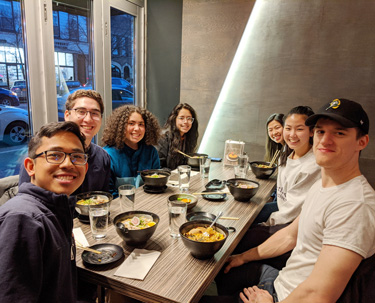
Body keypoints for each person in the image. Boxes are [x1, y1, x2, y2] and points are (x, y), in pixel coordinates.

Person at [212, 98, 375, 303]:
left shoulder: (355, 205)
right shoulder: (322, 186)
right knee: (220, 268)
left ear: (362, 142)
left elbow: (320, 295)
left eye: (339, 133)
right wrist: (242, 257)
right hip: (280, 281)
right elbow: (290, 235)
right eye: (320, 131)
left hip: (283, 297)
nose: (325, 140)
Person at [0, 121, 88, 302]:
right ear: (30, 167)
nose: (67, 164)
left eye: (77, 157)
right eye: (55, 155)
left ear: (85, 168)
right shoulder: (22, 219)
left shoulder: (56, 209)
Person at [234, 106, 321, 262]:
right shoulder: (288, 152)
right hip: (282, 209)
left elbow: (291, 213)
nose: (292, 135)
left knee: (239, 238)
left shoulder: (311, 166)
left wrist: (266, 224)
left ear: (311, 131)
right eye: (288, 128)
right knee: (241, 217)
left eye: (299, 129)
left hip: (290, 225)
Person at [19, 89, 111, 195]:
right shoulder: (42, 156)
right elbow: (26, 198)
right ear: (67, 115)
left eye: (95, 113)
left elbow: (103, 197)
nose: (88, 119)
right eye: (81, 112)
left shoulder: (103, 157)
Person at [102, 105, 161, 196]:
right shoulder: (108, 155)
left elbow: (156, 184)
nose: (137, 129)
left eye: (141, 124)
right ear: (120, 127)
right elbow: (108, 194)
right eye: (131, 123)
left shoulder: (151, 152)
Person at [157, 103, 199, 170]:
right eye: (181, 118)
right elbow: (158, 166)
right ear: (174, 119)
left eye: (189, 118)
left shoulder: (188, 137)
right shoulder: (163, 137)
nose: (185, 122)